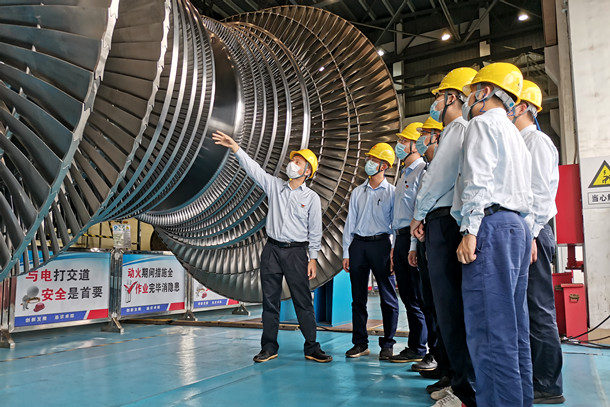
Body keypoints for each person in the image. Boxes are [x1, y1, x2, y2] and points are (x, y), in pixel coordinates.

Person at [452, 62, 534, 406]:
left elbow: (478, 179)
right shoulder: (515, 135)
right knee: (515, 329)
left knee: (489, 330)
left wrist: (470, 230)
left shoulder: (482, 124)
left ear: (485, 92)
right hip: (517, 227)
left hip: (491, 225)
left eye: (472, 92)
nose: (469, 99)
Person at [212, 130, 332, 364]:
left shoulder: (311, 198)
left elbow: (315, 231)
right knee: (270, 301)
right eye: (293, 160)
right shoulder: (275, 186)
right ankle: (268, 347)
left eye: (298, 162)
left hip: (297, 253)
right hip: (272, 250)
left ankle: (312, 347)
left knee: (302, 301)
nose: (292, 164)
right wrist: (235, 148)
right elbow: (254, 169)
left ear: (307, 171)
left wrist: (313, 258)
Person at [410, 67, 478, 407]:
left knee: (451, 307)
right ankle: (454, 377)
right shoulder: (456, 130)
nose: (435, 102)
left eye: (439, 96)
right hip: (439, 220)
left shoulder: (459, 129)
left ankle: (464, 388)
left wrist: (418, 213)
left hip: (445, 220)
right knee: (443, 306)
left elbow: (438, 177)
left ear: (452, 97)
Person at [512, 80, 564, 405]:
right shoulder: (517, 143)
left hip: (535, 232)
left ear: (522, 107)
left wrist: (530, 235)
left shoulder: (537, 142)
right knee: (525, 307)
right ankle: (533, 376)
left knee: (538, 306)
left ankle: (548, 383)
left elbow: (542, 195)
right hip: (523, 232)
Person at [342, 143, 398, 360]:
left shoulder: (392, 193)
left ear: (384, 165)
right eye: (369, 159)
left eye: (374, 159)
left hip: (381, 245)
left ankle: (388, 344)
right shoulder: (358, 192)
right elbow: (350, 223)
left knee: (388, 297)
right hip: (358, 245)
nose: (369, 163)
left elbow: (395, 225)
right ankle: (360, 343)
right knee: (358, 298)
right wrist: (347, 252)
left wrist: (393, 251)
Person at [387, 122, 429, 364]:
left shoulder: (422, 171)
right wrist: (396, 246)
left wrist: (413, 245)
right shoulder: (404, 174)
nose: (399, 145)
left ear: (415, 145)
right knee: (407, 296)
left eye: (403, 141)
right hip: (401, 238)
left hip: (414, 238)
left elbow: (418, 212)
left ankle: (421, 347)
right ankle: (416, 346)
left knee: (417, 296)